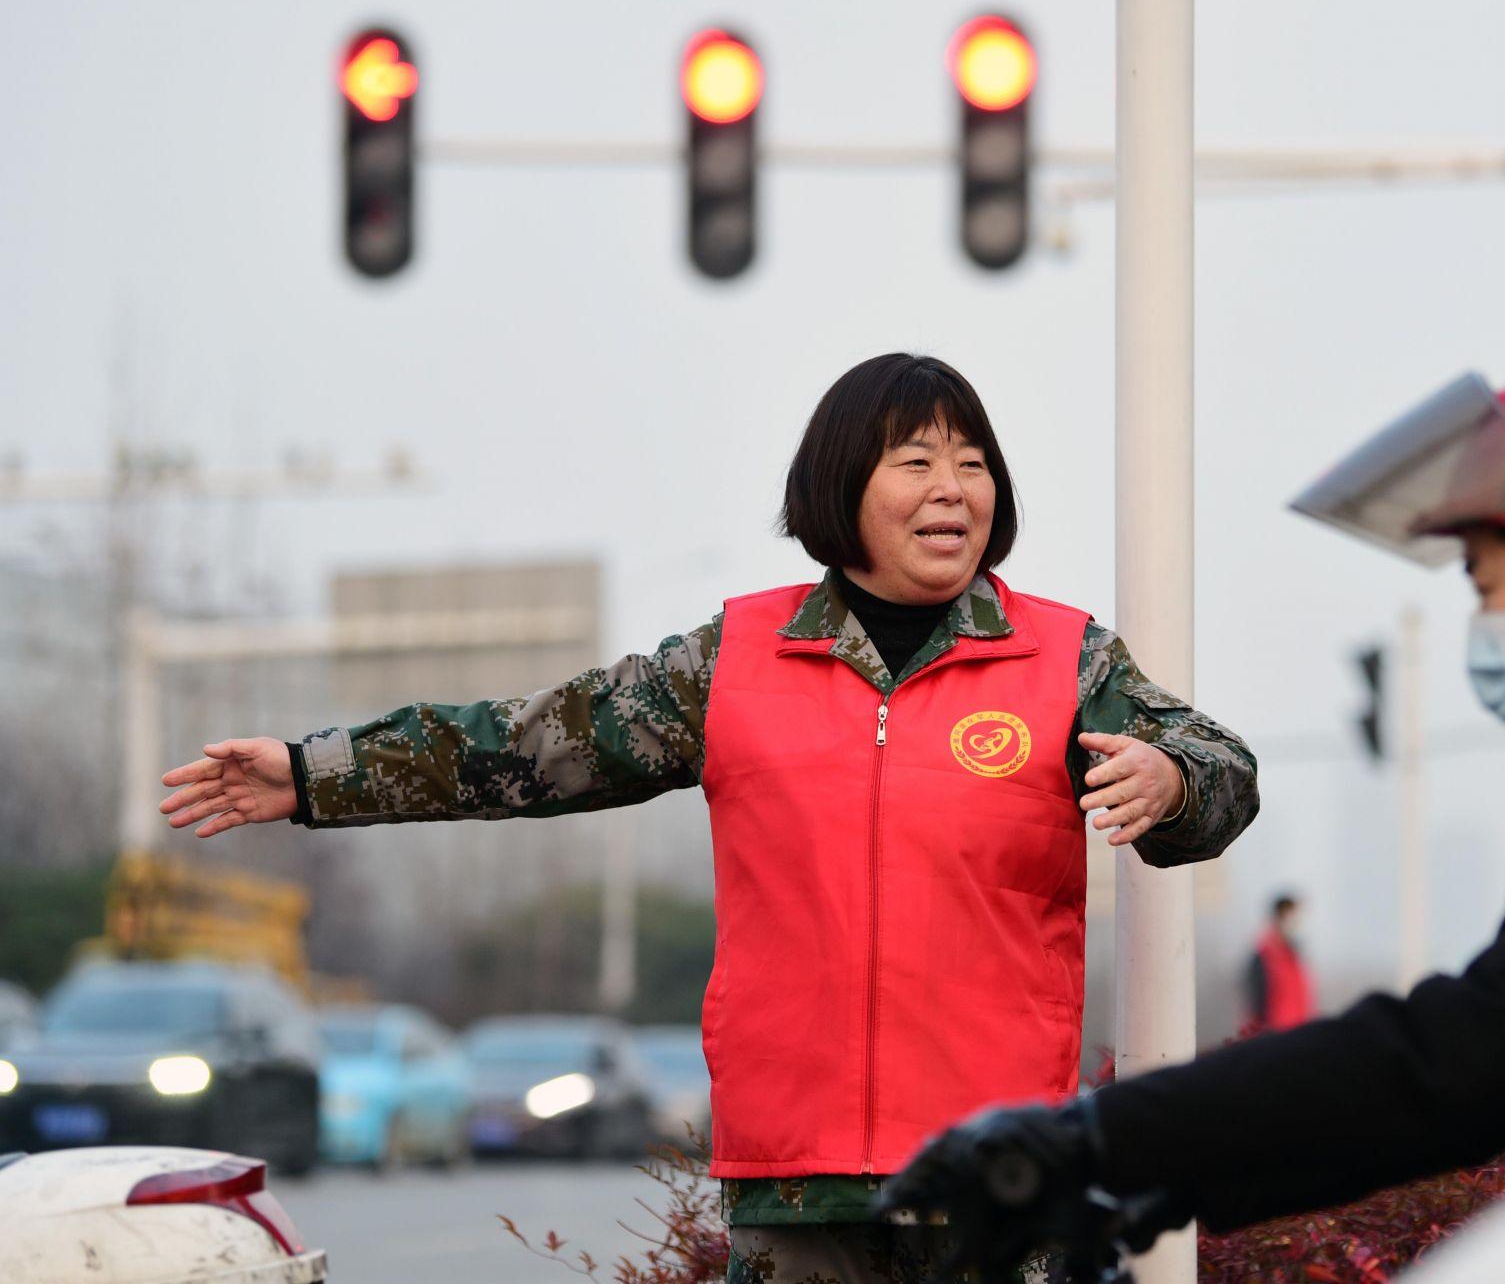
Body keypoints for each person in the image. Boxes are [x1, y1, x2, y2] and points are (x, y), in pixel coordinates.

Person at [156, 352, 1260, 1283]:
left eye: (973, 464)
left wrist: (1170, 782)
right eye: (917, 460)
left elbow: (1224, 768)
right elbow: (527, 744)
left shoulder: (1064, 661)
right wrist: (312, 774)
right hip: (795, 1180)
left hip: (1000, 1177)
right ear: (841, 484)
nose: (953, 488)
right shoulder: (734, 661)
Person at [878, 363, 1505, 1273]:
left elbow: (1466, 1052)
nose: (1487, 624)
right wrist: (1162, 1172)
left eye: (1491, 585)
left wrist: (1101, 1140)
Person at [1243, 893, 1316, 1034]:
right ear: (1277, 918)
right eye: (1290, 917)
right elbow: (1255, 1007)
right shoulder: (1263, 958)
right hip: (1274, 1038)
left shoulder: (1294, 957)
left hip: (1298, 1036)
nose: (1295, 923)